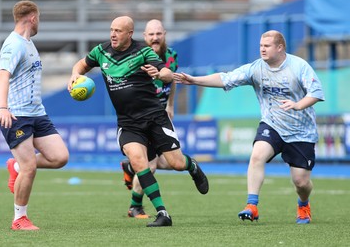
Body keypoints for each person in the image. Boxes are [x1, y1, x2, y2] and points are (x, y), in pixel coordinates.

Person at [68, 16, 209, 227]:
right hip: (128, 123)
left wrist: (159, 73)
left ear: (129, 34)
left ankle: (192, 167)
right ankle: (162, 213)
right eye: (111, 30)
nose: (113, 34)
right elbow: (82, 64)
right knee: (139, 161)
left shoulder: (143, 51)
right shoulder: (101, 51)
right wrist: (74, 74)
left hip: (155, 117)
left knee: (176, 163)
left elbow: (168, 73)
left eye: (118, 31)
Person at [173, 30, 325, 224]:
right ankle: (251, 205)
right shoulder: (256, 68)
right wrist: (195, 80)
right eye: (261, 45)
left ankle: (303, 204)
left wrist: (298, 105)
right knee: (257, 155)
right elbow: (226, 78)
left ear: (280, 47)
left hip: (301, 132)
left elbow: (316, 93)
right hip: (273, 124)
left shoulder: (299, 66)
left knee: (301, 182)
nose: (262, 49)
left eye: (267, 45)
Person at [0, 0, 69, 230]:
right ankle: (19, 219)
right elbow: (2, 75)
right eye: (40, 19)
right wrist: (2, 107)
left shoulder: (28, 43)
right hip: (17, 115)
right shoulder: (14, 45)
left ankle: (15, 167)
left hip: (37, 114)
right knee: (30, 167)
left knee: (60, 157)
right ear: (33, 18)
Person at [120, 19, 181, 219]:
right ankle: (134, 206)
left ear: (164, 34)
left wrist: (170, 105)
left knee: (170, 162)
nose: (155, 38)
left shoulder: (171, 55)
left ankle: (131, 167)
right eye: (151, 34)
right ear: (144, 36)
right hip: (142, 117)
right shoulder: (136, 57)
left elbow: (172, 79)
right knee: (151, 165)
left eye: (158, 34)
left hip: (160, 115)